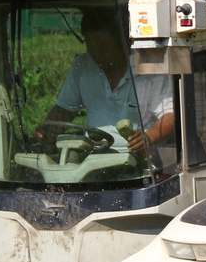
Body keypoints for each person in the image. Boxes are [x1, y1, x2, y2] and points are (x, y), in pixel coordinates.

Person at [35, 9, 174, 154]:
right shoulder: (82, 65)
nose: (96, 51)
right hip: (92, 158)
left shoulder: (149, 68)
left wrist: (150, 136)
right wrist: (48, 129)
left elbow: (170, 115)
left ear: (123, 40)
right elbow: (64, 110)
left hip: (142, 162)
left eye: (102, 44)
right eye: (90, 44)